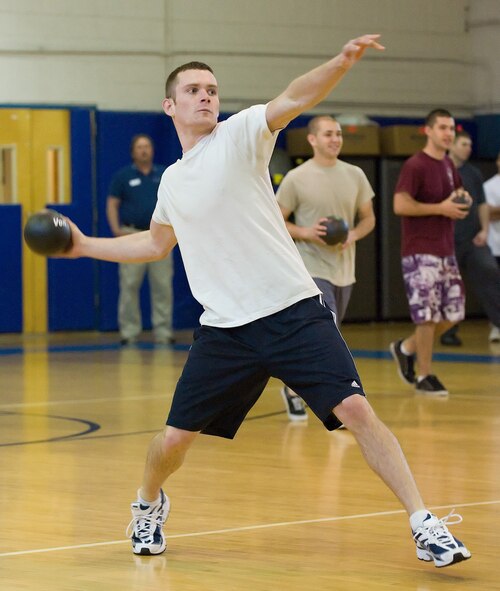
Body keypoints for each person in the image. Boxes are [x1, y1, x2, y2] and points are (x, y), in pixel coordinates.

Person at [63, 37, 470, 568]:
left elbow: (293, 98)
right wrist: (84, 245)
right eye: (193, 90)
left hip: (294, 311)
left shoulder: (240, 135)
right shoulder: (172, 182)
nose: (206, 96)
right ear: (171, 106)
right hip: (226, 331)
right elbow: (156, 244)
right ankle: (147, 503)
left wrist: (341, 63)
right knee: (172, 442)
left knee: (357, 410)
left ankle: (424, 524)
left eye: (212, 89)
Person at [276, 115, 375, 421]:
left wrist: (353, 236)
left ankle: (293, 388)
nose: (335, 139)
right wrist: (307, 232)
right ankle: (340, 400)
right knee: (328, 331)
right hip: (311, 267)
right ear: (312, 139)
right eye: (329, 134)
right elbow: (277, 220)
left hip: (344, 268)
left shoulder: (355, 174)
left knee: (328, 332)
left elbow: (368, 218)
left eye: (339, 134)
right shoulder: (296, 178)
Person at [390, 109, 472, 396]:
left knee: (454, 312)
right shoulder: (415, 165)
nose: (448, 133)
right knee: (426, 316)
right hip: (419, 251)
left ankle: (406, 347)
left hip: (445, 249)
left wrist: (464, 199)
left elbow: (456, 196)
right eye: (442, 128)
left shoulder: (449, 164)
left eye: (451, 128)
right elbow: (400, 206)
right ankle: (425, 375)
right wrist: (440, 208)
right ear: (428, 131)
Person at [106, 134, 174, 346]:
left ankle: (163, 332)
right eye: (139, 147)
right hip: (131, 235)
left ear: (152, 150)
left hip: (160, 236)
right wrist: (116, 229)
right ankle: (129, 332)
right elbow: (112, 203)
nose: (144, 150)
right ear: (133, 152)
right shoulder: (123, 176)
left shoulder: (164, 174)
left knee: (163, 285)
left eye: (147, 146)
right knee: (129, 284)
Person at [438, 132, 500, 346]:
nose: (469, 148)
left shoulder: (473, 172)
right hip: (447, 240)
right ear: (452, 145)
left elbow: (482, 205)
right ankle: (448, 330)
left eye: (470, 144)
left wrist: (484, 230)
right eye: (464, 144)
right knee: (449, 286)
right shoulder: (439, 169)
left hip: (473, 239)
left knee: (490, 271)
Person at [483, 150, 500, 342]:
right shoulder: (489, 186)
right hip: (495, 243)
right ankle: (496, 325)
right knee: (494, 289)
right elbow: (488, 212)